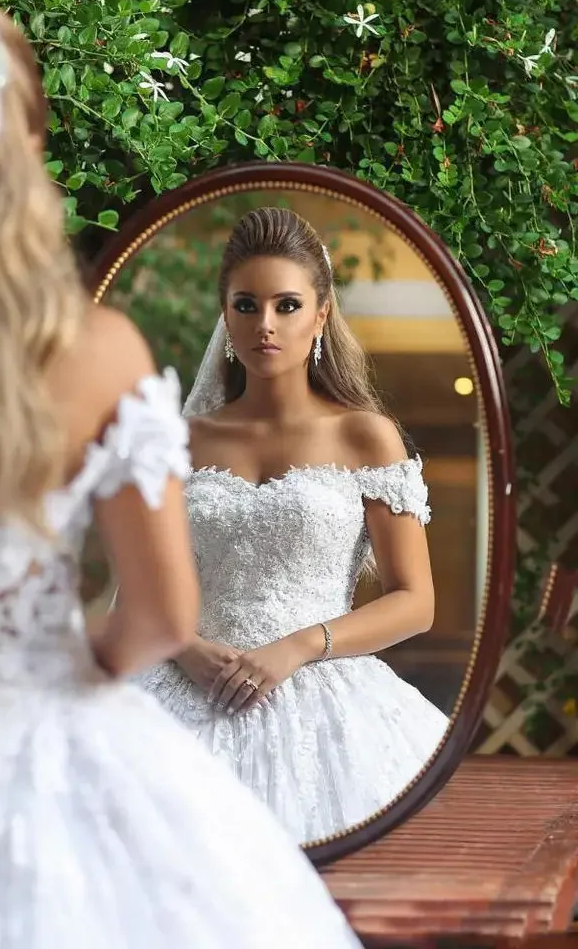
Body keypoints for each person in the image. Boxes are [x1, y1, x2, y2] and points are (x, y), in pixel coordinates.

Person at [0, 0, 363, 947]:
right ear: (24, 145)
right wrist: (37, 673)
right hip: (28, 743)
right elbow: (159, 619)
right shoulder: (94, 351)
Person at [138, 207, 449, 842]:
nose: (266, 325)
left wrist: (297, 646)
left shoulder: (366, 434)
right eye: (246, 305)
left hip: (325, 701)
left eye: (287, 305)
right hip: (183, 691)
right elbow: (138, 592)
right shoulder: (181, 439)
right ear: (225, 315)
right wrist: (185, 647)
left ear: (322, 314)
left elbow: (416, 603)